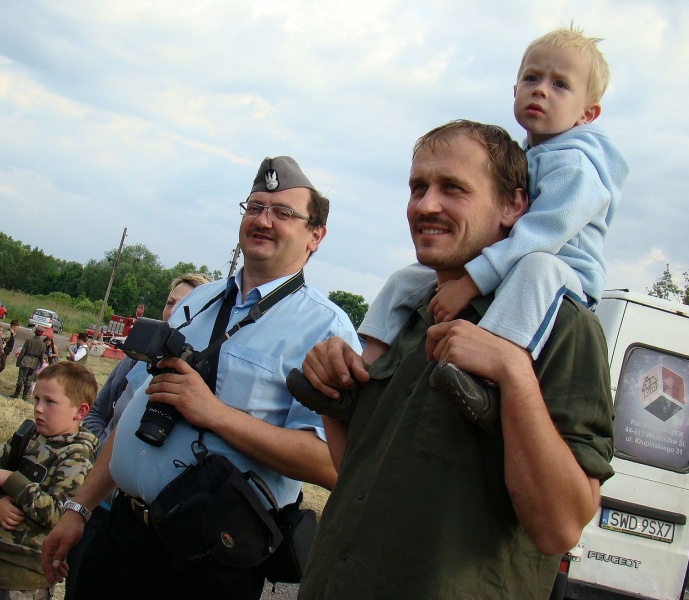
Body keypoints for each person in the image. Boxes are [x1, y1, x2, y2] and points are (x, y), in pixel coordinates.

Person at [296, 121, 615, 598]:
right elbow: (358, 470)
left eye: (453, 188)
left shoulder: (565, 328)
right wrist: (330, 389)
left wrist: (513, 373)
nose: (426, 205)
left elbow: (560, 528)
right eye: (418, 187)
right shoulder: (408, 313)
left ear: (514, 207)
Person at [42, 156, 361, 600]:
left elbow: (330, 464)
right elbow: (140, 410)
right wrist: (80, 507)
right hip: (122, 535)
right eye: (254, 207)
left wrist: (214, 414)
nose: (263, 220)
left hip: (209, 559)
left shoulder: (326, 330)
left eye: (282, 213)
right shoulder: (201, 300)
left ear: (315, 236)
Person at [360, 25, 629, 426]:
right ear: (514, 88)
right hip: (511, 265)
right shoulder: (530, 155)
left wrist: (471, 281)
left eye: (560, 85)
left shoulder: (577, 166)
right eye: (531, 78)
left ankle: (485, 377)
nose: (541, 90)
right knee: (407, 280)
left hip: (561, 274)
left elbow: (542, 234)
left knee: (537, 265)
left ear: (587, 114)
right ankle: (366, 370)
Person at [63, 272, 210, 600]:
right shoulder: (135, 356)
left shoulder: (202, 374)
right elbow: (97, 413)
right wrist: (110, 456)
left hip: (153, 525)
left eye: (186, 305)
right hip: (99, 507)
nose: (174, 311)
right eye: (171, 302)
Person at [0, 362, 98, 600]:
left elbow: (59, 515)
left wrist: (12, 481)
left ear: (80, 411)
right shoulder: (27, 437)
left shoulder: (77, 457)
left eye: (50, 402)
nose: (39, 409)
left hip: (23, 582)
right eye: (36, 399)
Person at [12, 328, 48, 400]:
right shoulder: (43, 344)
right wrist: (40, 364)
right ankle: (24, 396)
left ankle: (16, 394)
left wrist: (19, 361)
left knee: (21, 377)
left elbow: (23, 351)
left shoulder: (29, 341)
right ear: (41, 334)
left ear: (35, 332)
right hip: (35, 362)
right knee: (29, 379)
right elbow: (42, 355)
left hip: (26, 360)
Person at [0, 320, 20, 390]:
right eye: (17, 326)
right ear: (13, 326)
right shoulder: (8, 333)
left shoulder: (13, 333)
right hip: (3, 352)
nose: (18, 328)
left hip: (6, 352)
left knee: (0, 366)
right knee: (0, 366)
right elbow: (0, 338)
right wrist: (2, 347)